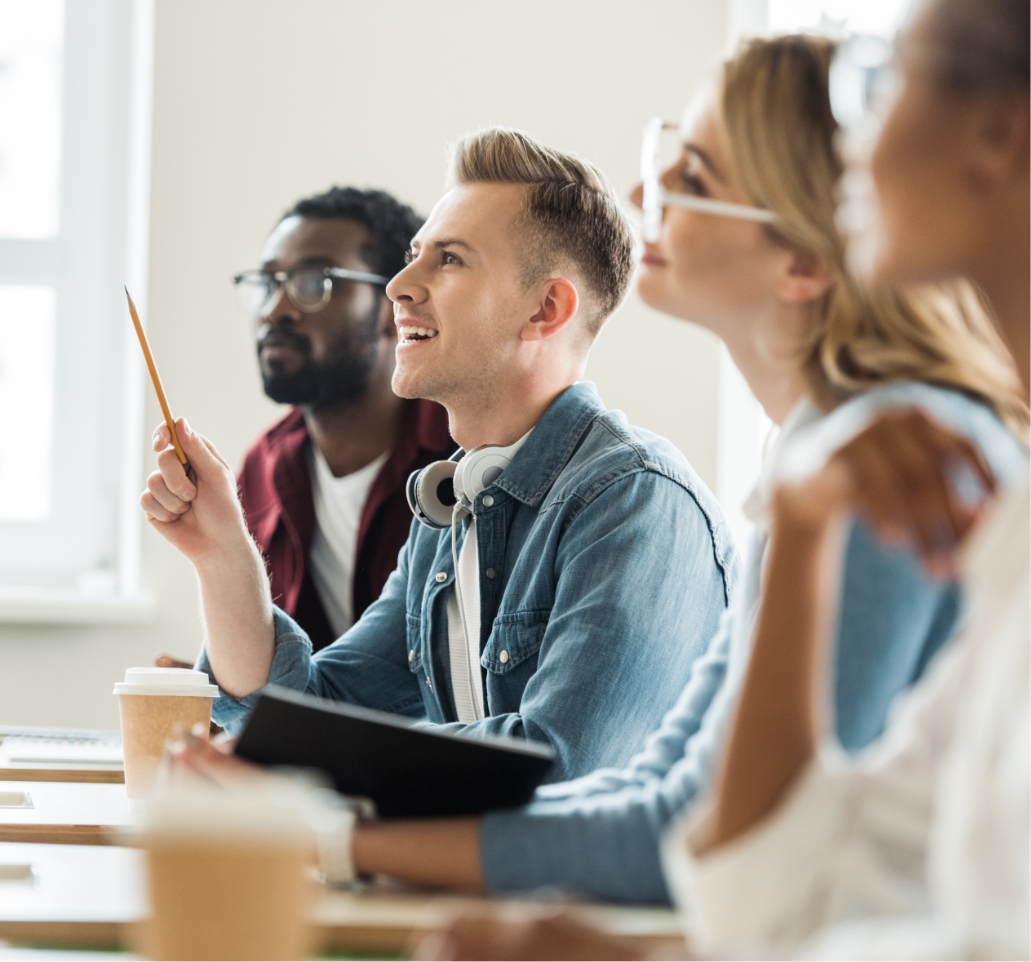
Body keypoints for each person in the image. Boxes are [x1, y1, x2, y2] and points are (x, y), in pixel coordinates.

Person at [172, 34, 1028, 912]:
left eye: (689, 175)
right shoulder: (807, 465)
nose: (639, 196)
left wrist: (337, 833)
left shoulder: (858, 469)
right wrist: (223, 563)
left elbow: (672, 821)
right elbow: (684, 806)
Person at [142, 127, 737, 783]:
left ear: (545, 308)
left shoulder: (635, 502)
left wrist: (330, 762)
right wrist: (221, 552)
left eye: (448, 259)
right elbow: (305, 710)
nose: (399, 285)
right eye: (414, 255)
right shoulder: (451, 513)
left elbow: (560, 768)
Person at [664, 0, 1030, 958]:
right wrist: (799, 518)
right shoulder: (1015, 535)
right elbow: (773, 911)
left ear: (996, 132)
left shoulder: (951, 462)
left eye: (878, 83)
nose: (849, 147)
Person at [158, 188, 452, 663]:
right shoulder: (265, 466)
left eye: (313, 283)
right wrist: (221, 699)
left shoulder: (464, 453)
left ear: (393, 306)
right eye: (267, 283)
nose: (275, 310)